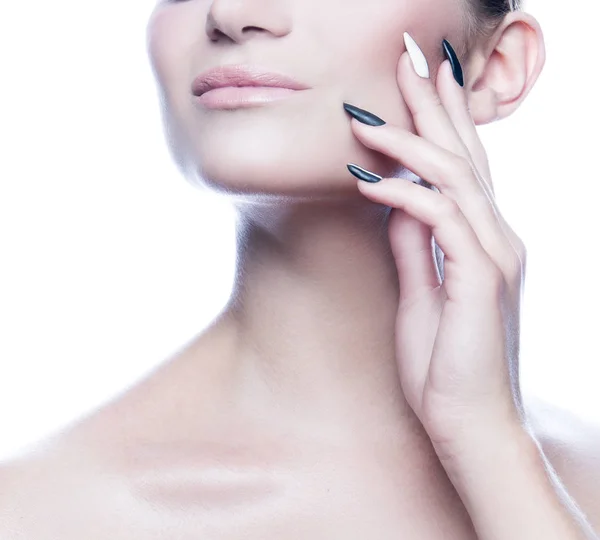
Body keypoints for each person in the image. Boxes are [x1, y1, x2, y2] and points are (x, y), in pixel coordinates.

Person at [1, 0, 600, 538]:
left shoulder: (576, 478)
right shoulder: (32, 513)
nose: (232, 13)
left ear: (497, 65)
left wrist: (492, 451)